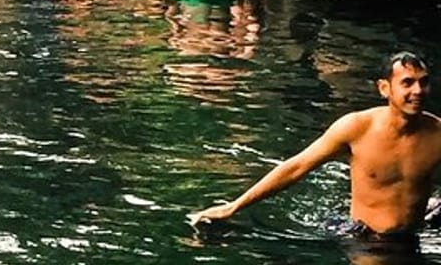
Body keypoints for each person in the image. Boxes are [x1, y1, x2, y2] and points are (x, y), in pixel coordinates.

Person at [189, 52, 441, 238]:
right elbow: (297, 166)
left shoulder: (438, 133)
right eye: (407, 83)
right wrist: (233, 207)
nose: (418, 90)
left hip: (412, 237)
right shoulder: (356, 128)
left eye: (424, 82)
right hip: (365, 238)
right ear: (384, 88)